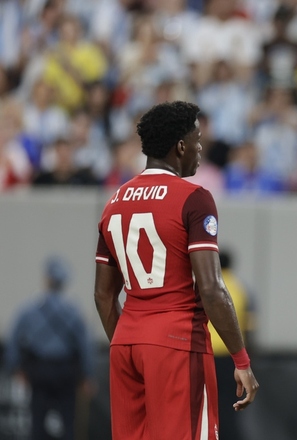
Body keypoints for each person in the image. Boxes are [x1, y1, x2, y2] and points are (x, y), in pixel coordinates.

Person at [93, 100, 258, 440]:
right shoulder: (194, 197)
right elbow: (212, 288)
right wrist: (241, 360)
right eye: (197, 140)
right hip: (176, 341)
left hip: (126, 343)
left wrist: (132, 340)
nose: (201, 148)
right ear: (181, 146)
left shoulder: (114, 201)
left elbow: (103, 294)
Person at [4, 255, 95, 440]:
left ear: (47, 279)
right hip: (66, 371)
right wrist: (88, 375)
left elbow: (13, 338)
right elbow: (85, 344)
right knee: (68, 423)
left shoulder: (30, 308)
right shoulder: (73, 310)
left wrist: (15, 368)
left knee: (37, 423)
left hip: (39, 370)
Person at [208, 249, 253, 440]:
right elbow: (250, 328)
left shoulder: (206, 287)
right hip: (231, 359)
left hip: (206, 357)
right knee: (230, 406)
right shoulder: (241, 289)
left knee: (205, 406)